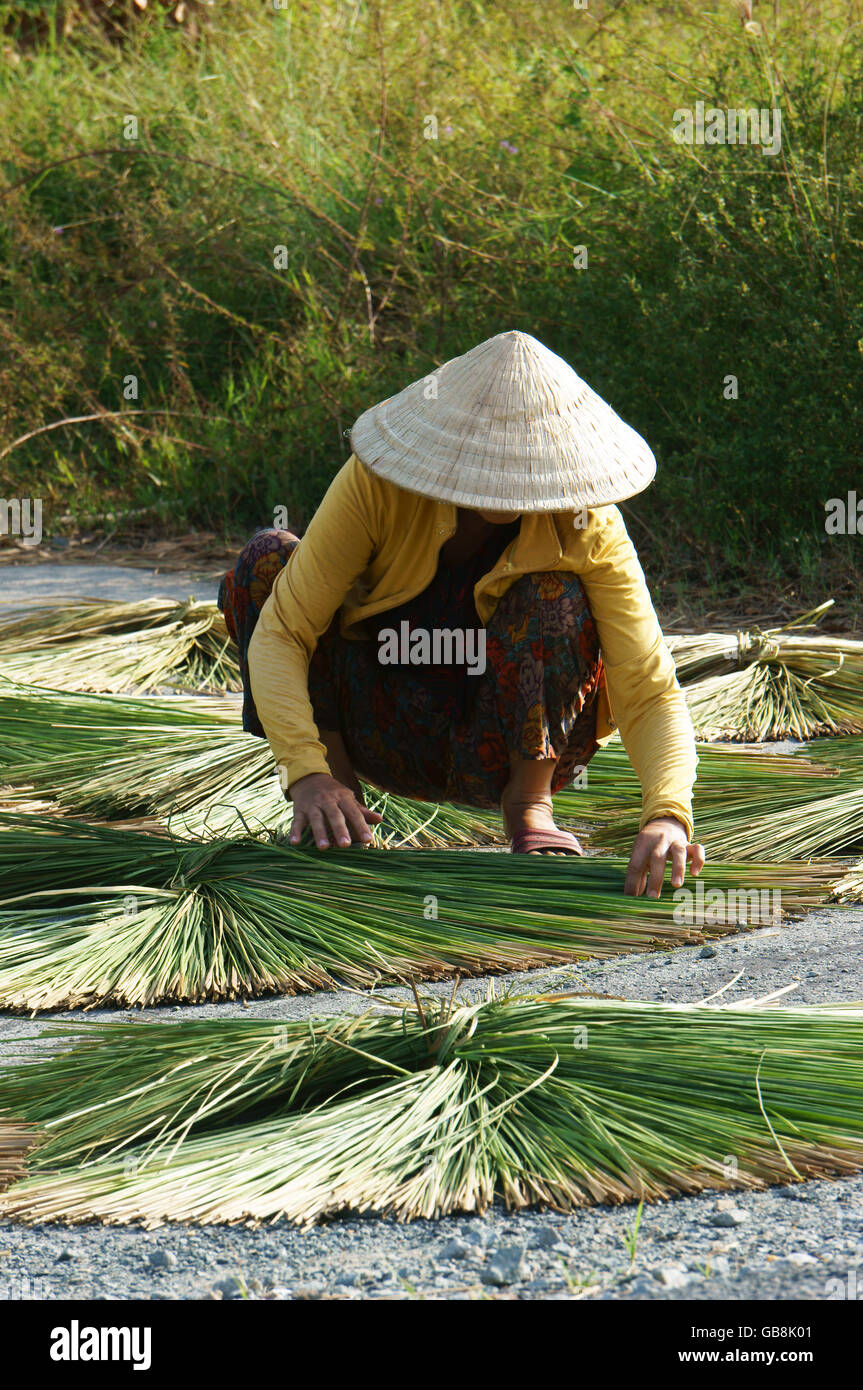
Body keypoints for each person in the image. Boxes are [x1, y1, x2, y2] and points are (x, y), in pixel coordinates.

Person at [218, 330, 704, 898]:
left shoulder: (585, 524)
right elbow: (283, 633)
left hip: (495, 743)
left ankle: (529, 805)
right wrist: (307, 773)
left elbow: (648, 685)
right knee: (267, 560)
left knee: (556, 593)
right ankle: (338, 808)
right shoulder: (379, 486)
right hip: (380, 722)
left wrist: (668, 814)